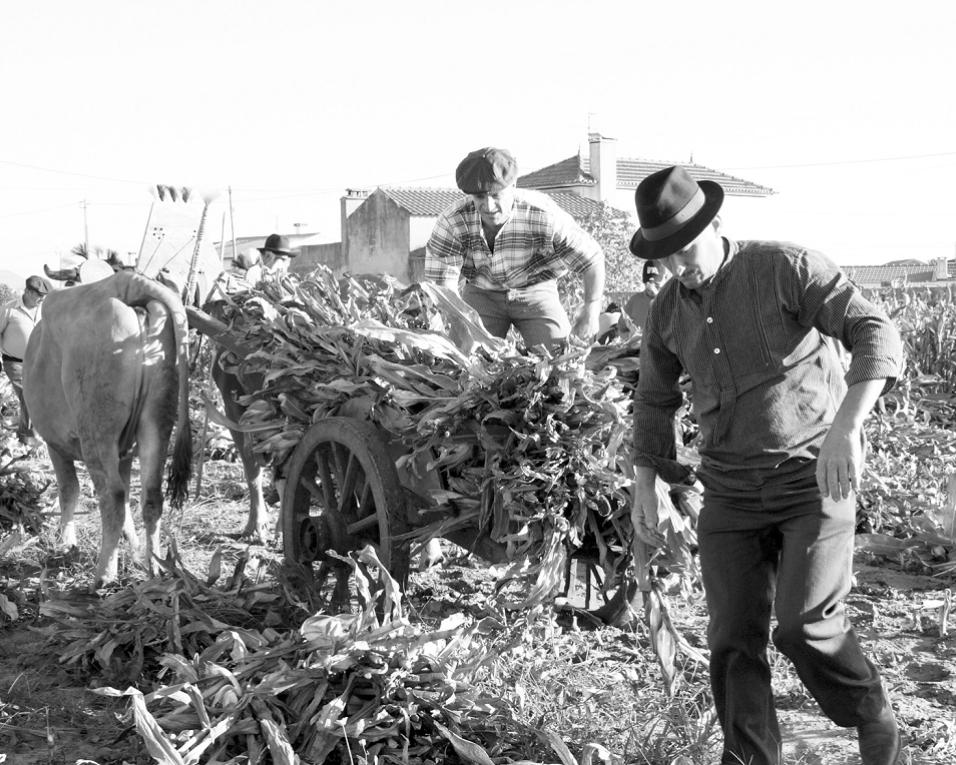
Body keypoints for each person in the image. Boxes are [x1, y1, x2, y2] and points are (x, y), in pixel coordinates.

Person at [629, 166, 904, 765]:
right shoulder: (668, 311)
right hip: (729, 492)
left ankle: (872, 715)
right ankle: (752, 758)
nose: (678, 267)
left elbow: (873, 330)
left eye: (684, 250)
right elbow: (654, 398)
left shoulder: (785, 267)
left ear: (716, 224)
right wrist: (646, 484)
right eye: (665, 259)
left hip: (813, 477)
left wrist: (847, 427)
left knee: (802, 625)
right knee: (731, 641)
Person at [425, 147, 605, 347]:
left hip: (535, 292)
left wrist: (591, 308)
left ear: (513, 185)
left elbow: (591, 260)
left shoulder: (544, 216)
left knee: (559, 358)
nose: (489, 206)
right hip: (481, 293)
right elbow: (442, 288)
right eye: (479, 197)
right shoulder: (452, 222)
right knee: (463, 359)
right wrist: (457, 326)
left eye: (495, 195)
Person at [0, 275, 52, 445]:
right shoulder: (9, 309)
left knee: (40, 395)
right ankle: (28, 437)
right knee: (29, 394)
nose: (42, 299)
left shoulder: (45, 310)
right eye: (39, 295)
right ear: (28, 292)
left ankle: (31, 433)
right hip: (14, 362)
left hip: (38, 362)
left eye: (44, 296)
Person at [622, 259, 670, 330]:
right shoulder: (635, 300)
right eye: (648, 283)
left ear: (664, 281)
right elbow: (621, 329)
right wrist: (630, 335)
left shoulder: (671, 302)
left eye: (656, 284)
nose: (651, 287)